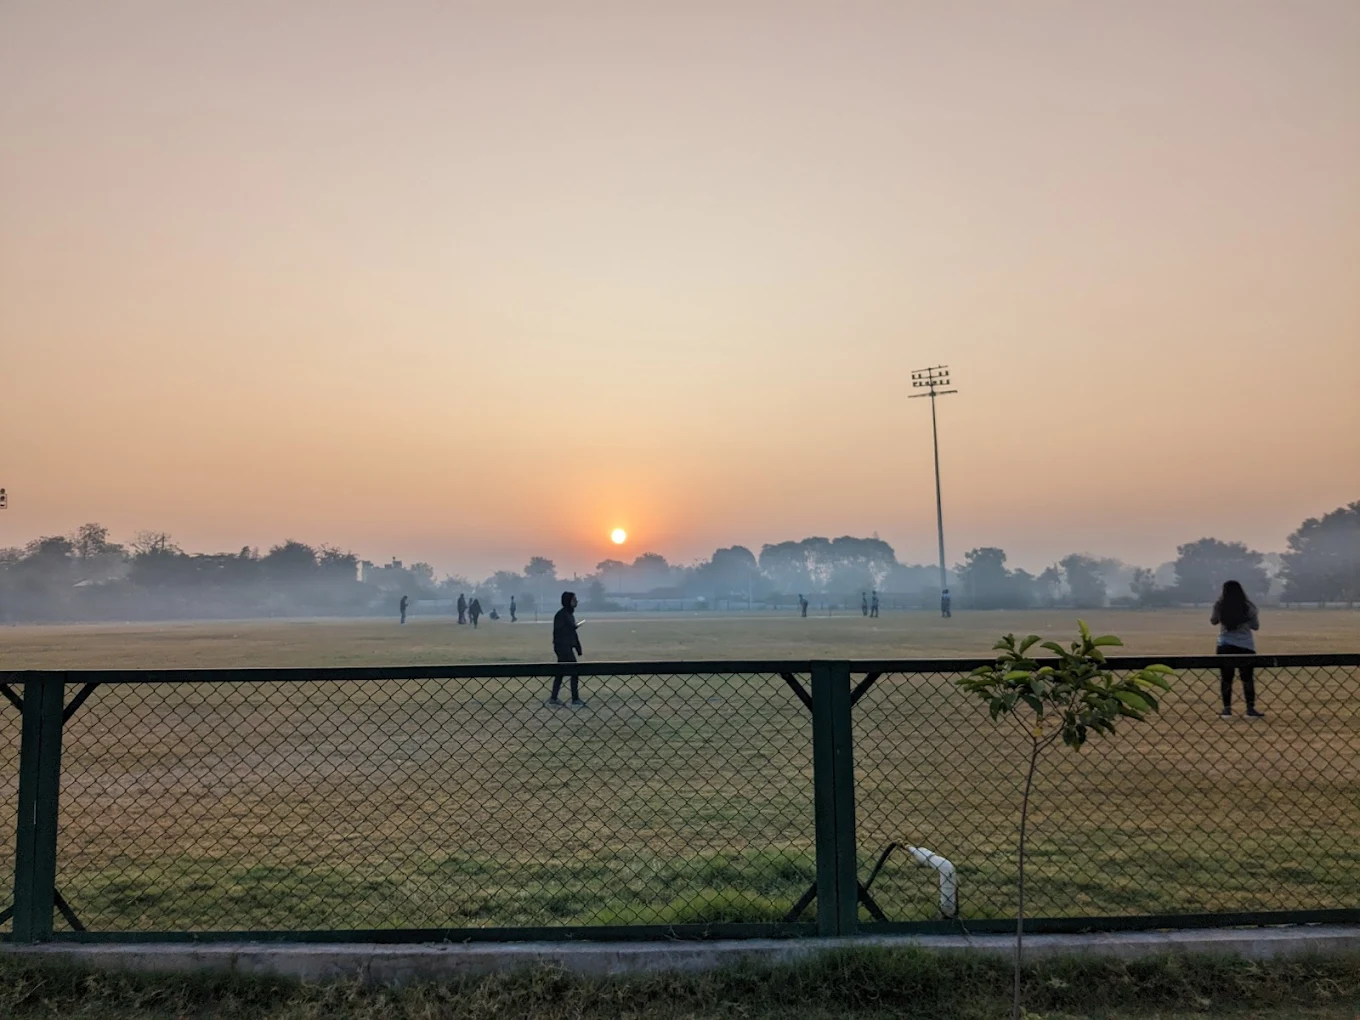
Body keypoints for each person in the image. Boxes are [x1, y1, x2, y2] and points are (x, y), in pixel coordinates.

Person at [1211, 580, 1263, 718]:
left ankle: (1227, 709)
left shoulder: (1220, 605)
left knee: (1226, 678)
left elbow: (1214, 621)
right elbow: (1255, 626)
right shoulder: (1248, 606)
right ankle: (1250, 709)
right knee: (1247, 679)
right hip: (1245, 646)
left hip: (1225, 644)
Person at [548, 591, 585, 708]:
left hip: (566, 647)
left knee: (560, 673)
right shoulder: (561, 615)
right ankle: (575, 699)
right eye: (574, 599)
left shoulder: (568, 614)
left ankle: (553, 698)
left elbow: (571, 632)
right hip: (563, 648)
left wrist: (577, 647)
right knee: (574, 672)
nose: (576, 601)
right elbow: (563, 633)